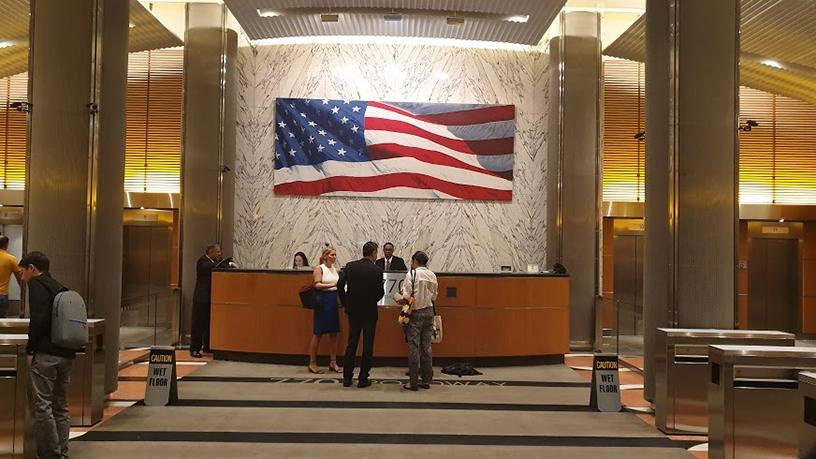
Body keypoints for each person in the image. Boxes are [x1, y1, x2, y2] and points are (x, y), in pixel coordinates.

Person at [20, 251, 75, 459]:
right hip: (65, 353)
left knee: (41, 406)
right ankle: (61, 452)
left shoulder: (36, 285)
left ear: (32, 268)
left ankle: (50, 455)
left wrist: (31, 349)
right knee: (60, 405)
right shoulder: (58, 285)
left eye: (23, 272)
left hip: (46, 354)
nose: (22, 278)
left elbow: (39, 318)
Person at [338, 241, 384, 388]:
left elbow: (340, 284)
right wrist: (370, 300)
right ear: (373, 253)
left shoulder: (350, 266)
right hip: (369, 311)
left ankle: (347, 378)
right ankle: (363, 378)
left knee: (351, 343)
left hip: (353, 311)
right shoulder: (377, 270)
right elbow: (380, 293)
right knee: (368, 345)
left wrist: (346, 302)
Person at [396, 251, 438, 391]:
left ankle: (413, 382)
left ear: (415, 261)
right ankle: (426, 380)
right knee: (426, 347)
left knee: (414, 347)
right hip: (429, 312)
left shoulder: (412, 274)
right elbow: (434, 297)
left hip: (415, 312)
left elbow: (407, 296)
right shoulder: (432, 275)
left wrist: (398, 297)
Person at [308, 247, 341, 374]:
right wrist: (332, 285)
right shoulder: (319, 268)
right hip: (323, 301)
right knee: (319, 332)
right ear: (326, 256)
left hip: (333, 301)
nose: (334, 257)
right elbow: (317, 284)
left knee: (334, 333)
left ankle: (333, 361)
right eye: (332, 255)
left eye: (335, 255)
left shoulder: (334, 269)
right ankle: (312, 362)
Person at [190, 244, 226, 358]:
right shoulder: (202, 262)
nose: (219, 254)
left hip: (211, 299)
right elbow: (214, 267)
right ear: (210, 252)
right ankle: (195, 348)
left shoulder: (215, 262)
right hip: (201, 299)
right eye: (217, 252)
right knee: (198, 325)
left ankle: (208, 346)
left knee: (208, 324)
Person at [0, 235, 21, 317]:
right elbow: (20, 278)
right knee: (1, 324)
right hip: (2, 295)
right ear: (6, 245)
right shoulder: (11, 259)